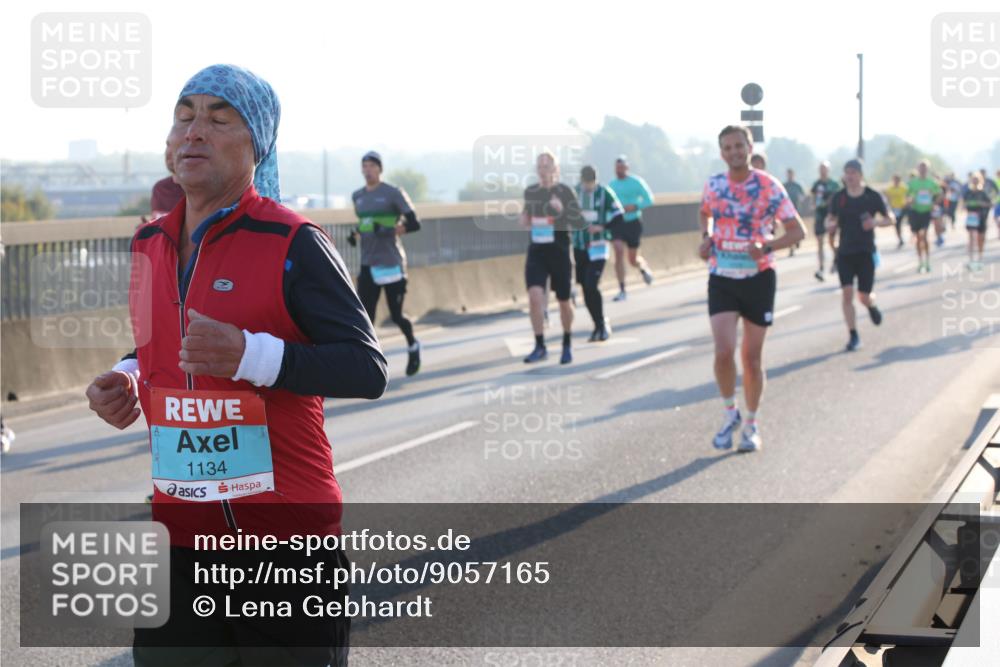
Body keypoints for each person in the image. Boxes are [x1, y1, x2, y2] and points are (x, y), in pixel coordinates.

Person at [84, 64, 387, 667]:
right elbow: (156, 345)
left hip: (285, 545)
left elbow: (365, 367)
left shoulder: (293, 241)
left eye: (219, 118)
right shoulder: (148, 243)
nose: (194, 131)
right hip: (179, 540)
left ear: (257, 145)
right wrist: (129, 378)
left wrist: (253, 354)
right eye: (184, 115)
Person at [699, 125, 804, 453]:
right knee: (723, 351)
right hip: (722, 276)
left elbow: (797, 231)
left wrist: (767, 245)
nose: (734, 152)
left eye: (739, 146)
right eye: (727, 148)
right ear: (721, 153)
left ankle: (752, 422)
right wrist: (705, 238)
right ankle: (730, 412)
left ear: (749, 147)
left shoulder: (769, 186)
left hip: (758, 278)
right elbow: (705, 213)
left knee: (752, 359)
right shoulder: (714, 185)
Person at [348, 151, 423, 376]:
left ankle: (413, 345)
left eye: (372, 166)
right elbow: (366, 224)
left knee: (396, 315)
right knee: (365, 317)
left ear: (380, 169)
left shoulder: (393, 193)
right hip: (368, 264)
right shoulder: (358, 196)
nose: (367, 170)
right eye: (364, 166)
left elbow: (415, 224)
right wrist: (356, 234)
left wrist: (390, 230)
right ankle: (368, 363)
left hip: (391, 263)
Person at [521, 151, 584, 364]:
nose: (542, 171)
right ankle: (540, 345)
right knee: (534, 297)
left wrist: (562, 210)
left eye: (547, 167)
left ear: (555, 170)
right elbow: (526, 216)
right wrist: (524, 219)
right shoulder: (530, 192)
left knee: (564, 302)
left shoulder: (565, 192)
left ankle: (567, 342)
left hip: (559, 252)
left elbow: (579, 223)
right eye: (539, 166)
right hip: (537, 252)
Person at [825, 159, 893, 352]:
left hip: (865, 252)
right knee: (847, 294)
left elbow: (891, 219)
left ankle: (871, 305)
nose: (850, 176)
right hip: (845, 252)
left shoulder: (872, 196)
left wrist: (876, 223)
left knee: (863, 296)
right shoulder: (838, 198)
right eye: (847, 173)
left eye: (853, 172)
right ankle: (853, 335)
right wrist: (829, 225)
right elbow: (830, 220)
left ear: (861, 175)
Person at [574, 165, 625, 341]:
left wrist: (602, 227)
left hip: (598, 246)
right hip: (579, 246)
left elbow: (619, 215)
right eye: (586, 183)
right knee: (585, 289)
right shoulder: (575, 193)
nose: (589, 187)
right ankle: (597, 324)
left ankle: (602, 324)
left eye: (591, 183)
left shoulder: (604, 193)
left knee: (591, 284)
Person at [608, 156, 655, 300]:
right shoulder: (611, 185)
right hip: (617, 222)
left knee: (632, 259)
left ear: (627, 168)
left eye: (622, 168)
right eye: (617, 168)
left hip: (633, 222)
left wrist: (635, 206)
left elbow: (649, 199)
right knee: (618, 251)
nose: (619, 170)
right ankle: (622, 289)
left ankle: (642, 268)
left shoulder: (636, 182)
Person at [906, 160, 943, 273]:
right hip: (915, 212)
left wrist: (934, 203)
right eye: (921, 168)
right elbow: (907, 196)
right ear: (918, 169)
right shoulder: (912, 182)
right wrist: (910, 200)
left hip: (926, 212)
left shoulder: (931, 182)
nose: (922, 170)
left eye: (924, 168)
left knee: (924, 236)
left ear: (927, 169)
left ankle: (927, 261)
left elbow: (940, 194)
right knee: (918, 238)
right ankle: (920, 261)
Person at [810, 162, 841, 281]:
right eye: (821, 169)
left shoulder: (834, 184)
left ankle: (837, 258)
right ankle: (821, 268)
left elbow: (839, 198)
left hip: (831, 215)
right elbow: (813, 198)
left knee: (831, 241)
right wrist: (814, 205)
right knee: (819, 242)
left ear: (828, 170)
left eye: (825, 169)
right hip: (819, 215)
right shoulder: (816, 184)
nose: (823, 171)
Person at [962, 173, 992, 271]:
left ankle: (980, 258)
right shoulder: (968, 192)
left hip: (981, 217)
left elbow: (990, 203)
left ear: (980, 180)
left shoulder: (983, 192)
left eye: (977, 179)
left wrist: (981, 204)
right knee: (971, 238)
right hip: (971, 217)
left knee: (980, 238)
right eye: (973, 179)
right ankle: (971, 260)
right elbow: (963, 203)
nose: (975, 181)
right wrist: (966, 205)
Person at [149, 148, 185, 220]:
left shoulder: (202, 189)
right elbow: (157, 220)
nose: (169, 152)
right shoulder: (160, 188)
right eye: (168, 145)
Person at [883, 174, 908, 248]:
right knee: (896, 224)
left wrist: (906, 203)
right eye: (895, 179)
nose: (896, 181)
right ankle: (900, 238)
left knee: (899, 223)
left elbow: (908, 196)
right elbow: (887, 197)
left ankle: (901, 237)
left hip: (902, 208)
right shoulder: (890, 188)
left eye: (897, 179)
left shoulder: (903, 188)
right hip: (894, 209)